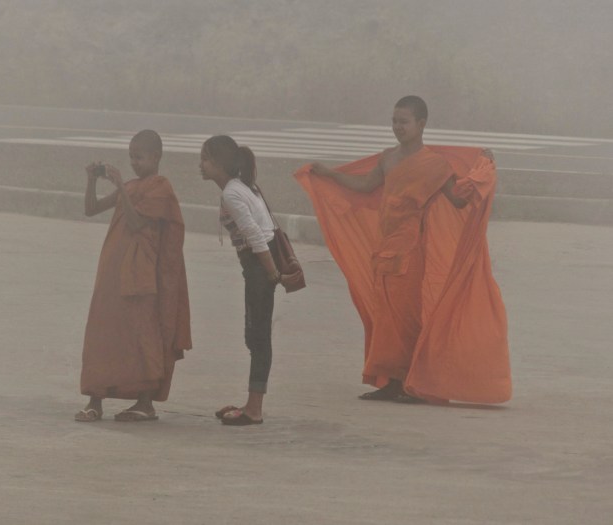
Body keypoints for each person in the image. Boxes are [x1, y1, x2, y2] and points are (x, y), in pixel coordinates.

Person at [295, 96, 511, 404]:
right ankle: (392, 381)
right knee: (385, 317)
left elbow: (459, 199)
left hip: (410, 250)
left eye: (404, 121)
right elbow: (363, 187)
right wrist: (328, 174)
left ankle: (418, 383)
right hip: (385, 249)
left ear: (421, 125)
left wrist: (483, 170)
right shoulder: (388, 158)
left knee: (407, 318)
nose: (397, 127)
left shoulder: (435, 164)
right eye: (394, 121)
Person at [74, 130, 191, 422]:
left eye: (139, 157)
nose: (135, 163)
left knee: (141, 335)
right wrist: (91, 180)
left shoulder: (160, 187)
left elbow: (138, 222)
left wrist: (121, 189)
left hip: (142, 275)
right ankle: (94, 401)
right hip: (113, 270)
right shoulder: (133, 185)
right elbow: (91, 209)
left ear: (156, 157)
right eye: (131, 157)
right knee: (104, 331)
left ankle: (145, 402)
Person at [199, 135, 296, 425]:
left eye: (204, 159)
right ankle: (251, 402)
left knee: (258, 337)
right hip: (258, 267)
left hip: (258, 267)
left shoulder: (232, 193)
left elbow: (256, 236)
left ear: (218, 163)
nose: (200, 165)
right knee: (254, 335)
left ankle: (254, 408)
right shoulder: (242, 187)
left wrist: (271, 275)